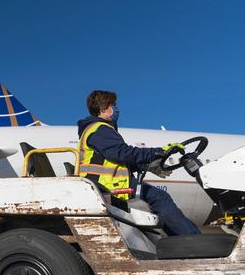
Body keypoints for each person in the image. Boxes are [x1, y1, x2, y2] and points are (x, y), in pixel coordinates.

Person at [77, 90, 200, 236]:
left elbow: (114, 159)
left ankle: (179, 238)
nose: (117, 109)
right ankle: (189, 239)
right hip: (106, 186)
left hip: (108, 183)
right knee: (160, 197)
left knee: (157, 199)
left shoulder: (97, 129)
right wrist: (159, 151)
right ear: (104, 109)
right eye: (113, 105)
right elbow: (123, 153)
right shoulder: (100, 129)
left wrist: (149, 166)